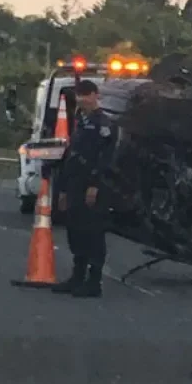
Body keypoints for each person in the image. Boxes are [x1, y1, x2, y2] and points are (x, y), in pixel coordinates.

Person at [52, 80, 117, 298]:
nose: (81, 99)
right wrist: (62, 188)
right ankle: (77, 276)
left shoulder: (104, 124)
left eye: (86, 95)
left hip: (93, 186)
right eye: (79, 95)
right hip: (75, 183)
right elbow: (71, 155)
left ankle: (93, 281)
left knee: (93, 232)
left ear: (96, 96)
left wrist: (95, 184)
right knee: (75, 230)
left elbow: (106, 158)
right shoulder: (81, 121)